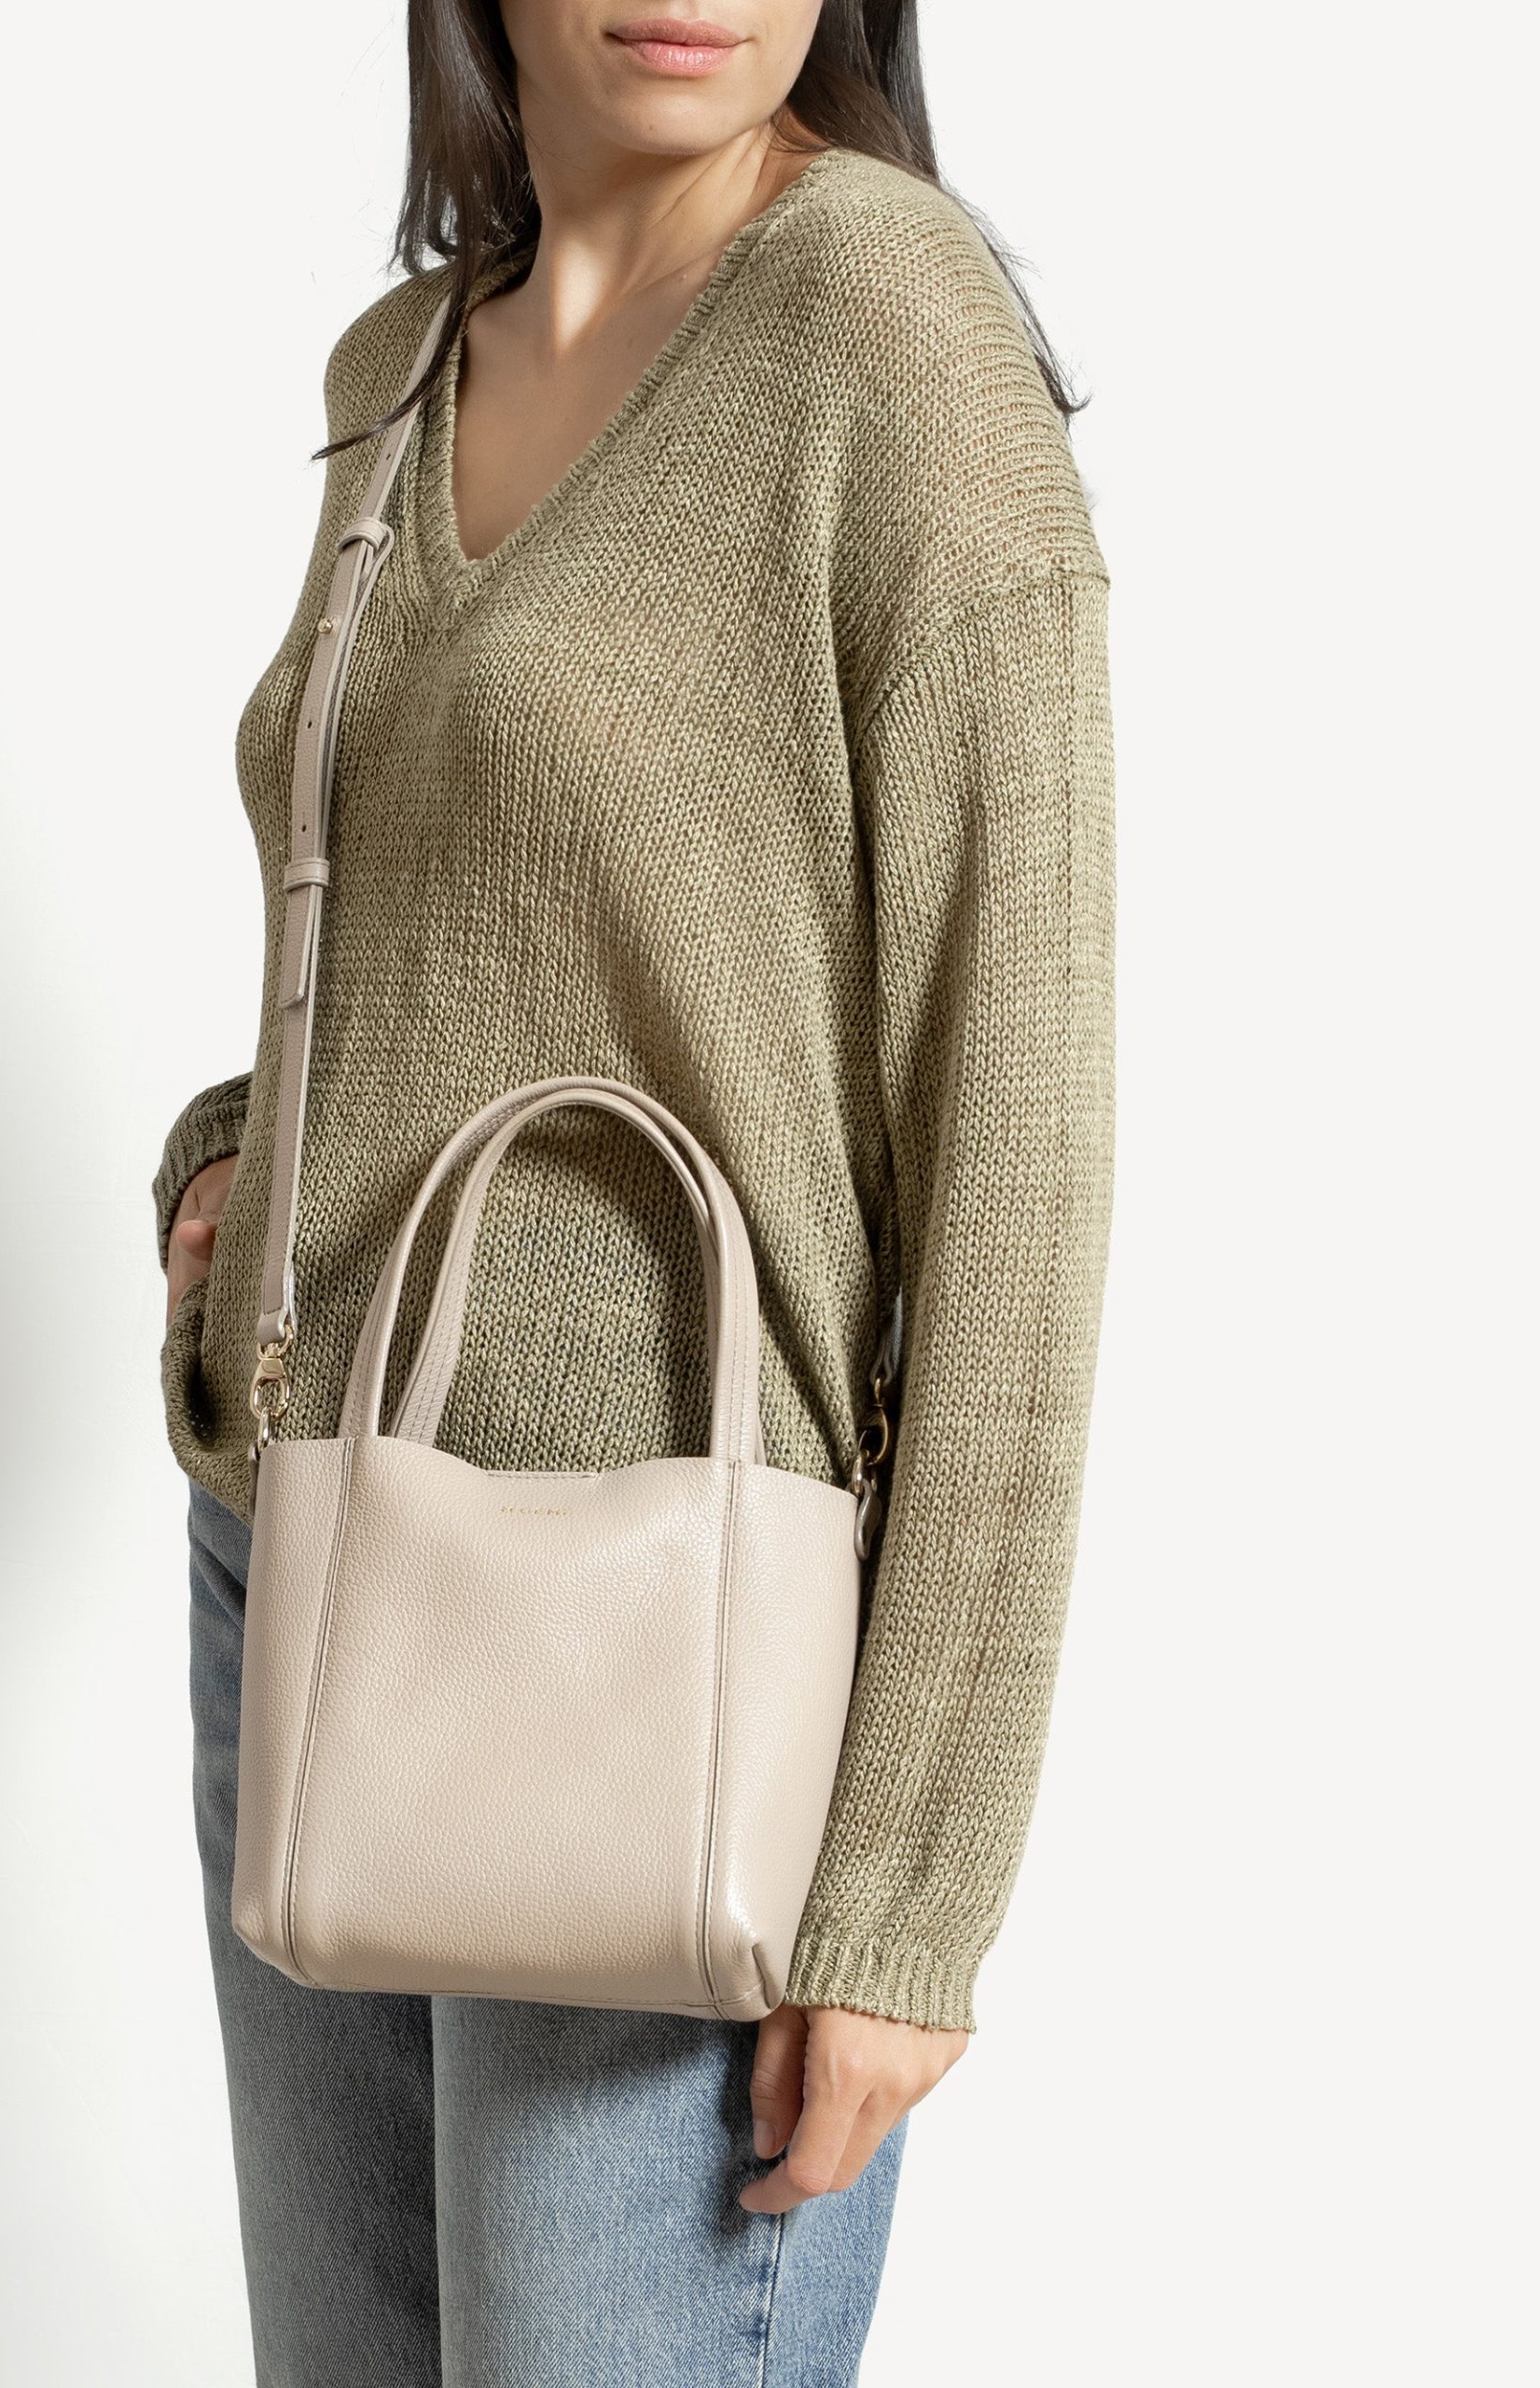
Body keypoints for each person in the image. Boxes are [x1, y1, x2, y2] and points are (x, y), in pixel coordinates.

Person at [153, 2, 1114, 2378]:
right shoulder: (401, 363)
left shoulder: (882, 321)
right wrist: (232, 1155)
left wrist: (907, 1889)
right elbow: (448, 918)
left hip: (661, 1628)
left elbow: (1020, 1132)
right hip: (308, 1561)